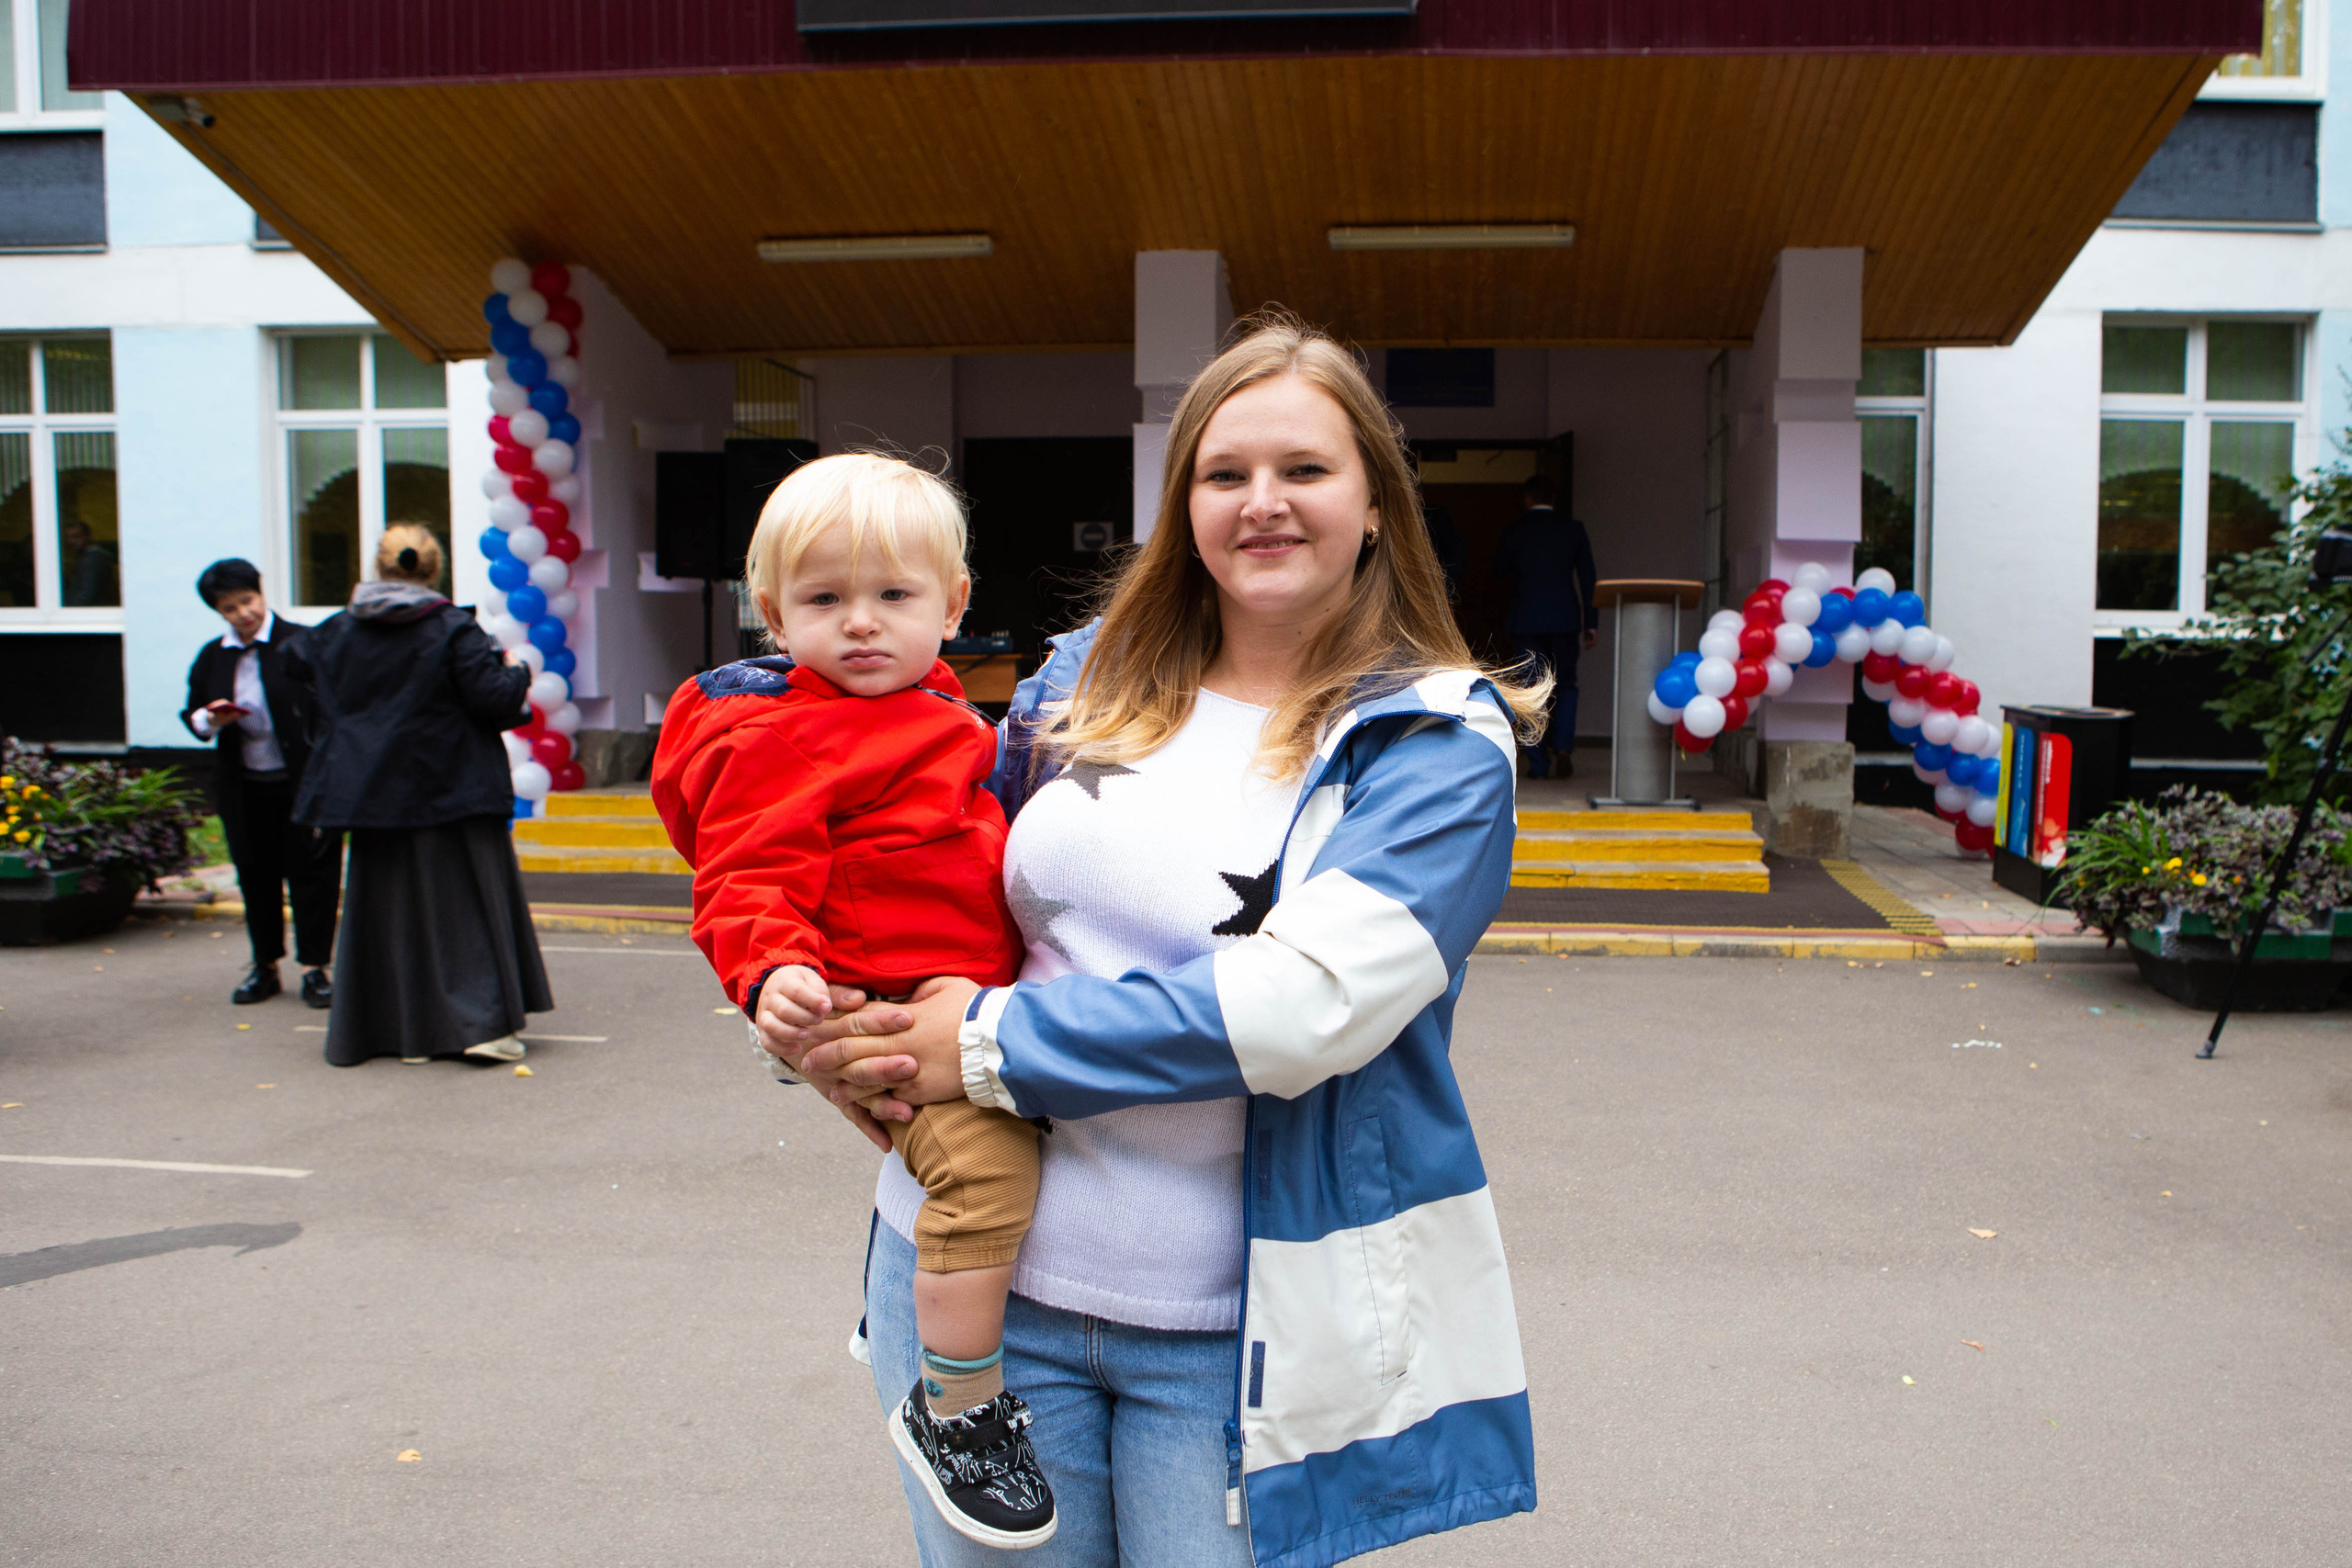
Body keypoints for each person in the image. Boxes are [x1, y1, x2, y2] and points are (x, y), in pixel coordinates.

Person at [765, 316, 1549, 1567]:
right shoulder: (1077, 680)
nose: (1263, 503)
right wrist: (824, 1020)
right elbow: (907, 875)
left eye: (1305, 469)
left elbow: (1302, 1007)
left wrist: (975, 1040)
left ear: (1376, 502)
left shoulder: (1437, 745)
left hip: (1233, 1339)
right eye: (1224, 472)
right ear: (1184, 500)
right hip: (973, 1291)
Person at [650, 454, 1054, 1550]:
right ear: (775, 614)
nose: (861, 624)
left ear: (954, 606)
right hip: (881, 1007)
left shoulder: (939, 711)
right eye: (824, 601)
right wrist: (774, 970)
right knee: (986, 1175)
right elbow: (744, 877)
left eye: (893, 597)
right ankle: (957, 1410)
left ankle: (894, 1309)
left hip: (963, 997)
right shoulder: (781, 733)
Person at [287, 525, 551, 1066]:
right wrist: (517, 672)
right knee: (462, 912)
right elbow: (492, 699)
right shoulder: (452, 628)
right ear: (434, 570)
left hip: (370, 794)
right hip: (450, 789)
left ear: (379, 567)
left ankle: (395, 1032)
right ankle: (479, 1027)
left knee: (385, 914)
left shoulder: (337, 631)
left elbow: (301, 675)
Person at [180, 558, 341, 1007]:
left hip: (302, 784)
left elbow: (332, 706)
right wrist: (211, 718)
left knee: (312, 876)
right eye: (230, 608)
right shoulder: (215, 655)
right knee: (256, 875)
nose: (243, 614)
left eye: (247, 601)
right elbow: (192, 714)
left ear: (261, 592)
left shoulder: (300, 643)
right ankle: (264, 966)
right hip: (245, 786)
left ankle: (315, 968)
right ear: (219, 613)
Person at [1488, 473, 1598, 778]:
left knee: (1530, 689)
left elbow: (1497, 572)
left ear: (1527, 499)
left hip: (1526, 619)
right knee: (1567, 685)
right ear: (1553, 497)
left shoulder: (1515, 531)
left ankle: (1537, 761)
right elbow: (1588, 578)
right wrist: (1592, 622)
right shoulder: (1573, 530)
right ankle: (1563, 748)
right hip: (1565, 619)